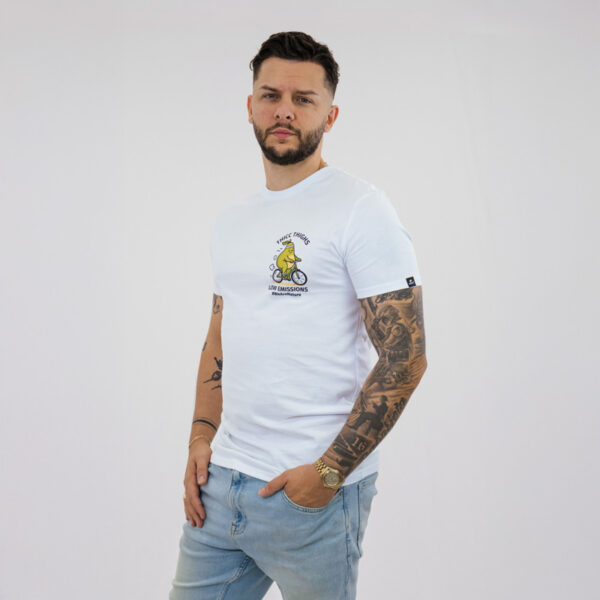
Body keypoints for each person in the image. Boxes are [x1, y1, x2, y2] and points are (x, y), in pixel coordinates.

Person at [169, 31, 427, 600]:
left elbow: (405, 357)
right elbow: (219, 337)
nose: (284, 110)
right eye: (271, 95)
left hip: (312, 498)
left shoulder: (361, 208)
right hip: (222, 488)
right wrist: (200, 439)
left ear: (329, 116)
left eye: (303, 99)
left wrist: (329, 473)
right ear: (250, 106)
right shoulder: (232, 220)